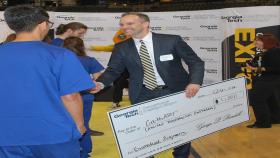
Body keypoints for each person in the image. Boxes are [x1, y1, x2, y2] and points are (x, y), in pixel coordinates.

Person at [96, 12, 205, 158]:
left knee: (179, 129)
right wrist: (101, 83)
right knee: (144, 133)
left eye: (129, 23)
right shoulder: (121, 47)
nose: (124, 27)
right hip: (142, 93)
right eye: (121, 24)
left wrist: (195, 82)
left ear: (145, 23)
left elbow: (195, 62)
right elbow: (113, 70)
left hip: (173, 91)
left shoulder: (171, 41)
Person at [0, 5, 96, 158]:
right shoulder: (60, 55)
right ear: (43, 24)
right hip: (53, 134)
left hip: (6, 134)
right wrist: (79, 125)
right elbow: (70, 96)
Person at [63, 37, 104, 158]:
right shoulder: (89, 60)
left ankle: (71, 151)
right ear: (82, 46)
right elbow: (99, 78)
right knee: (83, 123)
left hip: (64, 97)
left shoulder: (60, 59)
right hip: (85, 97)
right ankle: (85, 151)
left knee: (66, 124)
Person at [247, 34, 280, 128]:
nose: (255, 42)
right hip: (270, 79)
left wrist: (255, 69)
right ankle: (276, 118)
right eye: (255, 40)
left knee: (256, 97)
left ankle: (263, 122)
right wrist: (256, 68)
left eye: (258, 40)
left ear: (266, 42)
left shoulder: (273, 52)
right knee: (270, 98)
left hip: (270, 79)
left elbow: (275, 68)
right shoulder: (269, 51)